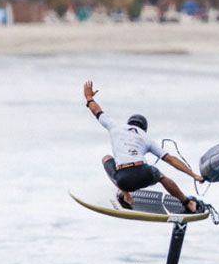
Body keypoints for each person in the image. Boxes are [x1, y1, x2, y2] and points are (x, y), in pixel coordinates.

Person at [83, 80, 205, 214]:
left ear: (129, 123)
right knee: (161, 177)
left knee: (106, 158)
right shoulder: (146, 138)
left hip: (124, 179)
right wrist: (194, 175)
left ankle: (127, 196)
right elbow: (170, 159)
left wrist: (89, 98)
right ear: (144, 128)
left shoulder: (115, 127)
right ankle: (188, 203)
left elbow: (97, 111)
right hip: (144, 172)